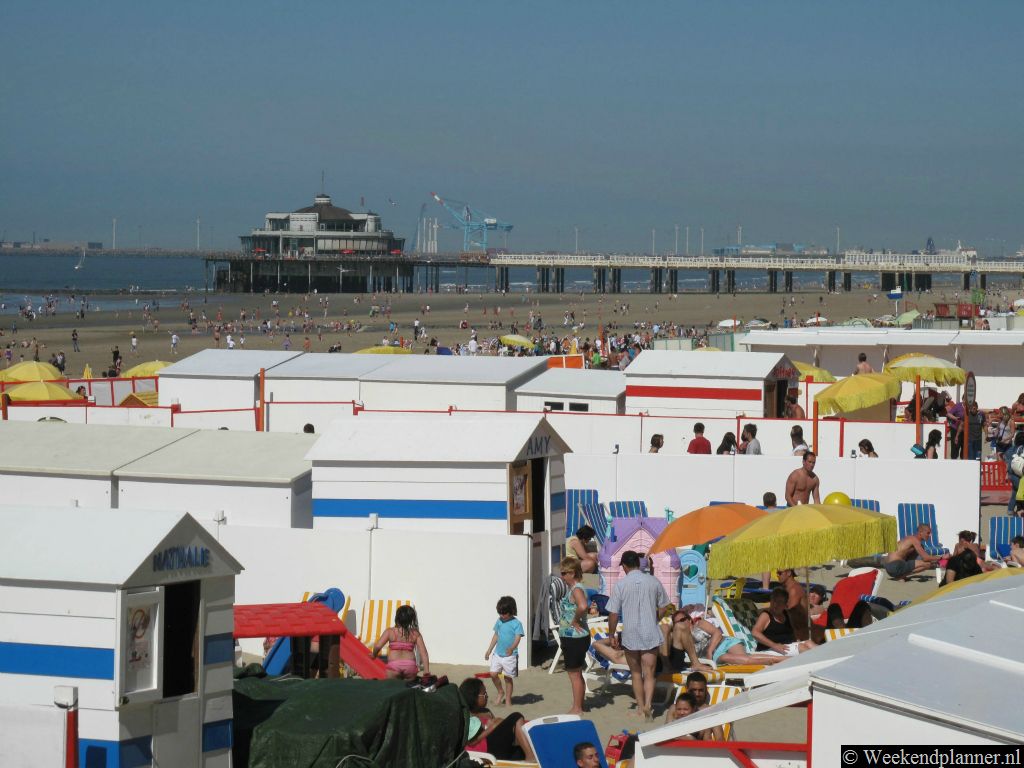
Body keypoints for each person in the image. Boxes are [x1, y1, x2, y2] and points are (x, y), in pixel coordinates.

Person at [607, 551, 670, 720]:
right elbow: (664, 606)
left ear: (625, 566)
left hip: (631, 633)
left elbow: (613, 613)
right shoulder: (654, 581)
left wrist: (611, 633)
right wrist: (655, 618)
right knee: (649, 673)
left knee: (636, 673)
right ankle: (649, 705)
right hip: (650, 631)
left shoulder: (620, 585)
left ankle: (641, 708)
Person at [681, 604, 788, 666]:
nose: (682, 622)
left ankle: (782, 659)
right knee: (747, 659)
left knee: (746, 658)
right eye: (678, 622)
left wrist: (709, 650)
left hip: (725, 642)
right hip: (716, 656)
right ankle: (774, 661)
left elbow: (717, 633)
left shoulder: (700, 624)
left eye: (683, 619)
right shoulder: (682, 637)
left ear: (689, 619)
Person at [460, 677, 535, 761]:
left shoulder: (486, 712)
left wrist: (498, 723)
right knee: (516, 716)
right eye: (484, 694)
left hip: (498, 747)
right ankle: (531, 758)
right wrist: (492, 727)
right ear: (473, 697)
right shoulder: (466, 717)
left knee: (521, 749)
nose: (487, 696)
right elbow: (471, 742)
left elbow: (499, 732)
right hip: (486, 750)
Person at [557, 557, 591, 715]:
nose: (562, 576)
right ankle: (579, 705)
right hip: (577, 637)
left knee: (574, 674)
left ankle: (577, 708)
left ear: (572, 573)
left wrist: (575, 620)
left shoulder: (576, 589)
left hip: (574, 638)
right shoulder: (577, 588)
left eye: (564, 573)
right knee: (577, 673)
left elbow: (583, 606)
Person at [371, 605, 429, 680]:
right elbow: (424, 653)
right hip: (410, 667)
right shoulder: (415, 634)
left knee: (391, 688)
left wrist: (374, 654)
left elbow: (378, 646)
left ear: (397, 618)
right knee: (409, 689)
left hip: (393, 667)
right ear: (411, 620)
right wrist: (426, 671)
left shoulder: (390, 632)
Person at [485, 596, 524, 707]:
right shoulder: (499, 621)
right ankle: (500, 692)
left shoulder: (517, 623)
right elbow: (496, 635)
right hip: (497, 653)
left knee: (507, 678)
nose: (501, 616)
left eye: (503, 613)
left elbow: (518, 638)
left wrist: (512, 648)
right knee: (493, 674)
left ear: (511, 611)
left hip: (510, 656)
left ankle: (508, 699)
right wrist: (489, 650)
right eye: (500, 613)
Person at [751, 588, 817, 655]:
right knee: (802, 648)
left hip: (786, 646)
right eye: (774, 601)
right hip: (769, 649)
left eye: (779, 602)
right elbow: (755, 633)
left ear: (785, 605)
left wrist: (796, 640)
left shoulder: (786, 614)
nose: (775, 605)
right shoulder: (766, 615)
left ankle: (824, 659)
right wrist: (774, 645)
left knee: (809, 643)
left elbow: (791, 631)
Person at [1006, 431, 1024, 514]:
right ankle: (1019, 510)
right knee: (1020, 491)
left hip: (1011, 473)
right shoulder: (1021, 449)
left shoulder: (1011, 449)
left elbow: (1006, 459)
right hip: (1017, 474)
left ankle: (1010, 509)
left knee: (1015, 491)